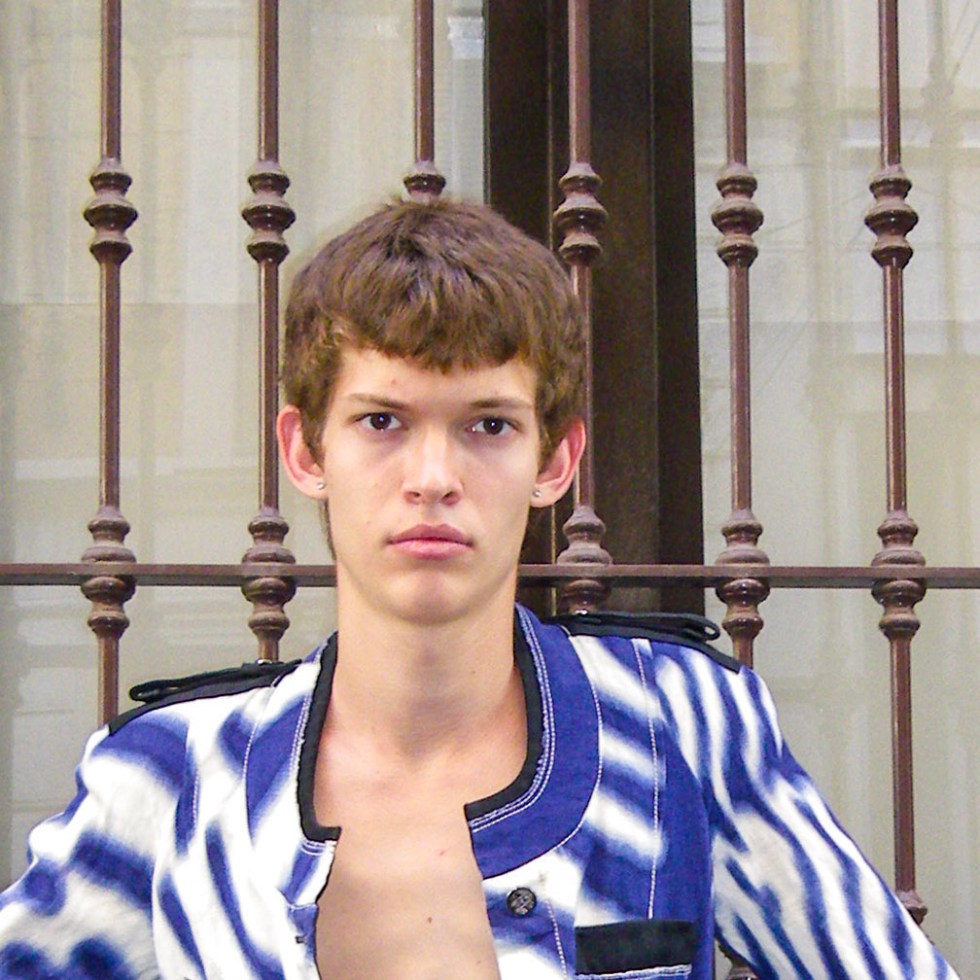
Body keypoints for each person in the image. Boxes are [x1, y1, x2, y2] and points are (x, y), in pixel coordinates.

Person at [0, 199, 958, 979]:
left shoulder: (681, 725)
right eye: (382, 421)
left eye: (488, 425)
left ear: (557, 460)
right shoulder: (175, 777)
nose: (433, 477)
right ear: (305, 450)